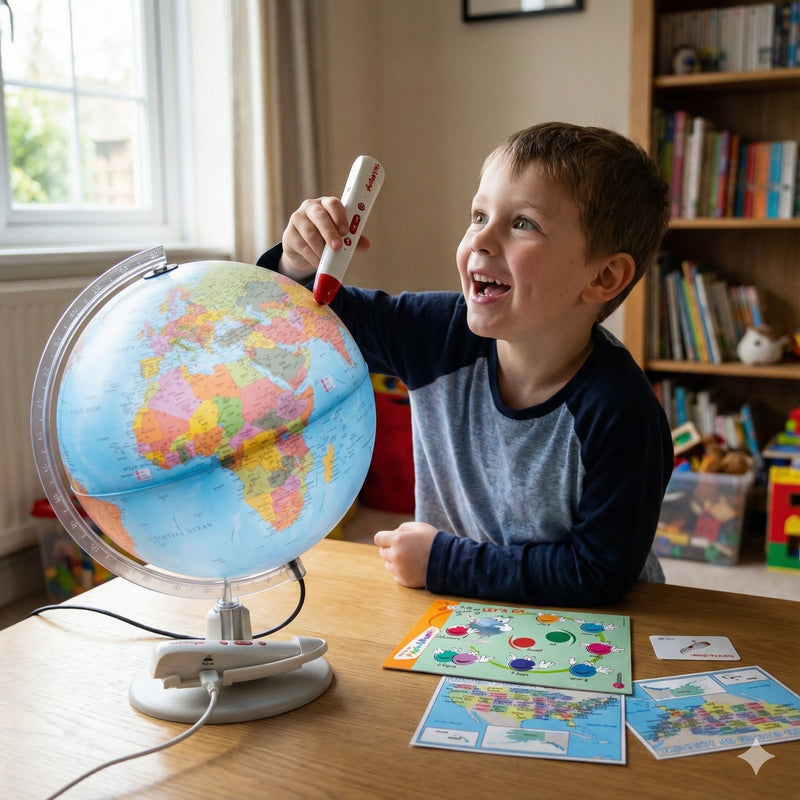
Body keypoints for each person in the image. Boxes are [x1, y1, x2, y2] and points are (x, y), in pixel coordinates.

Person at [258, 121, 672, 607]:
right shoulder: (436, 333)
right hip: (466, 609)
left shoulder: (624, 412)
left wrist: (442, 562)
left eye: (523, 224)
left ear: (603, 276)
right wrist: (295, 262)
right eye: (478, 215)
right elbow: (301, 322)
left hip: (599, 628)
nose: (482, 239)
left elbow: (597, 573)